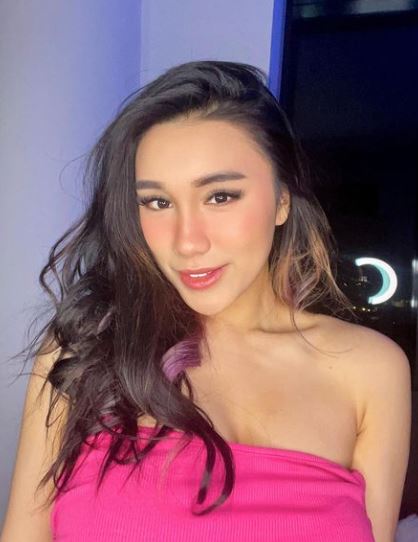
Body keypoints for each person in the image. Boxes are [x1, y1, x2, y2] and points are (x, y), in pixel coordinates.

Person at [1, 60, 411, 542]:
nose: (187, 241)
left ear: (282, 199)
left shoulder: (370, 370)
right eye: (157, 202)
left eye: (220, 197)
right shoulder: (86, 349)